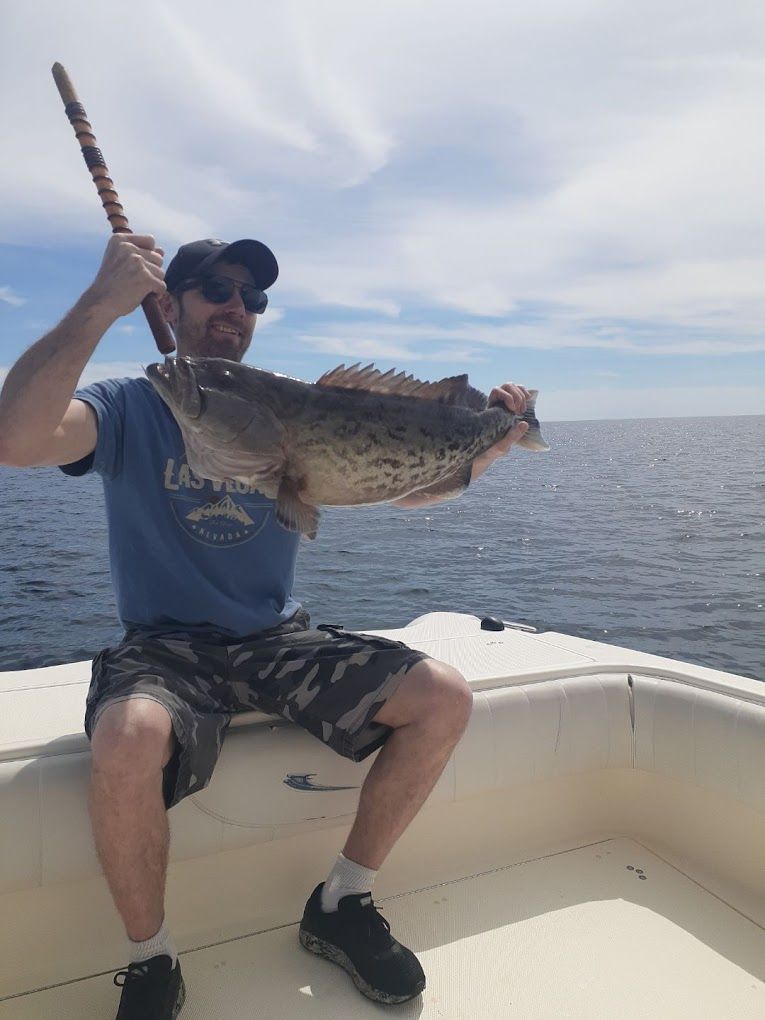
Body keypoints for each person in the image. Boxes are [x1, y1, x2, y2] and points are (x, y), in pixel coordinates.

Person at [0, 233, 531, 1019]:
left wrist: (496, 438)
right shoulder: (135, 403)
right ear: (169, 304)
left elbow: (410, 490)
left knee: (443, 697)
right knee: (126, 737)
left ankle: (342, 902)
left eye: (251, 297)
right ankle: (151, 960)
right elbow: (15, 440)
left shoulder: (290, 400)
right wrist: (97, 305)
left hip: (273, 640)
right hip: (164, 645)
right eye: (215, 289)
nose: (235, 307)